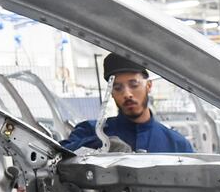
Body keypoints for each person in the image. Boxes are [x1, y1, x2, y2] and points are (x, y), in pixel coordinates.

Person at [62, 53, 194, 153]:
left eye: (134, 85)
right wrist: (100, 143)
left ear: (148, 86)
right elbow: (58, 154)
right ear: (111, 93)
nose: (127, 94)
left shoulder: (177, 145)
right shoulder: (90, 131)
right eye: (118, 88)